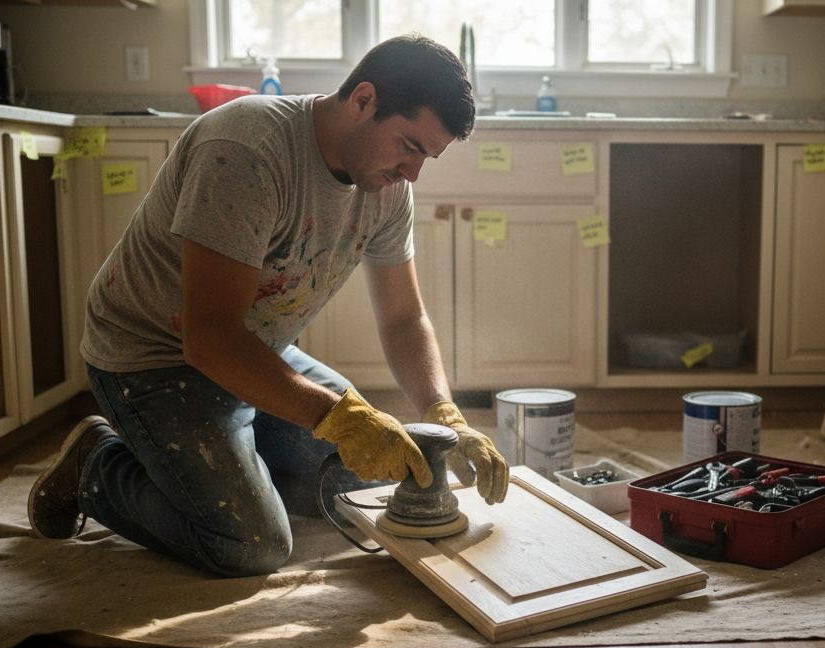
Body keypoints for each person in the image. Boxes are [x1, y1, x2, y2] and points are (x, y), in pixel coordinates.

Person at [26, 34, 509, 577]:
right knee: (248, 543)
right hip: (152, 360)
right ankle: (98, 462)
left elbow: (403, 319)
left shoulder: (388, 187)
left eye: (428, 156)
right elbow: (208, 338)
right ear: (364, 100)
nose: (413, 173)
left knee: (374, 482)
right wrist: (339, 419)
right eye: (410, 146)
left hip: (255, 353)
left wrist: (441, 410)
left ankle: (222, 461)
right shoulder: (247, 150)